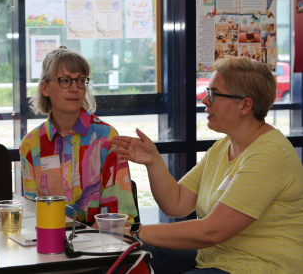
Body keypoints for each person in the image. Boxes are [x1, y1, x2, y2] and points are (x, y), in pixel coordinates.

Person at [109, 56, 303, 273]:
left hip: (260, 267)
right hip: (214, 259)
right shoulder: (223, 147)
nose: (204, 100)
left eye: (214, 94)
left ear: (245, 106)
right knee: (124, 258)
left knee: (132, 244)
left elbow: (211, 232)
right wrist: (153, 161)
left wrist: (132, 231)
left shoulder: (270, 154)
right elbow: (177, 203)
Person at [19, 46, 138, 227]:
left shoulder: (106, 138)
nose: (75, 88)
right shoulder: (31, 145)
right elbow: (32, 212)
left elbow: (120, 214)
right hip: (50, 238)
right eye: (65, 80)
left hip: (100, 241)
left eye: (81, 81)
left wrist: (88, 242)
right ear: (45, 88)